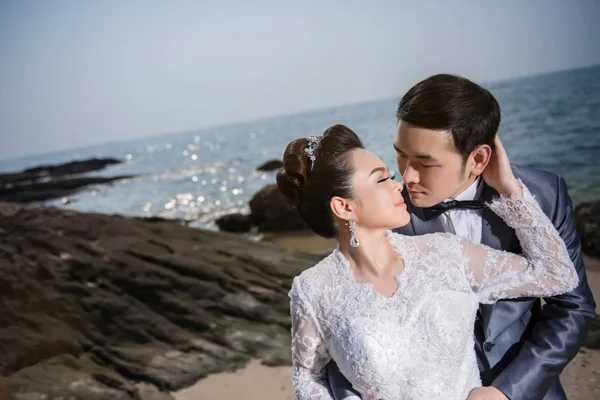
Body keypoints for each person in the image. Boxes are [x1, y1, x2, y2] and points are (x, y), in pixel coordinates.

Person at [326, 75, 596, 400]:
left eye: (425, 163)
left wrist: (509, 391)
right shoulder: (381, 213)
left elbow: (571, 305)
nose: (407, 176)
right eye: (401, 155)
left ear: (478, 159)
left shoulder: (543, 194)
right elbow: (350, 332)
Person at [278, 123, 579, 400]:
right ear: (343, 207)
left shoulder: (445, 254)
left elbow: (557, 275)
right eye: (382, 178)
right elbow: (308, 377)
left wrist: (508, 188)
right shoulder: (312, 289)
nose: (399, 185)